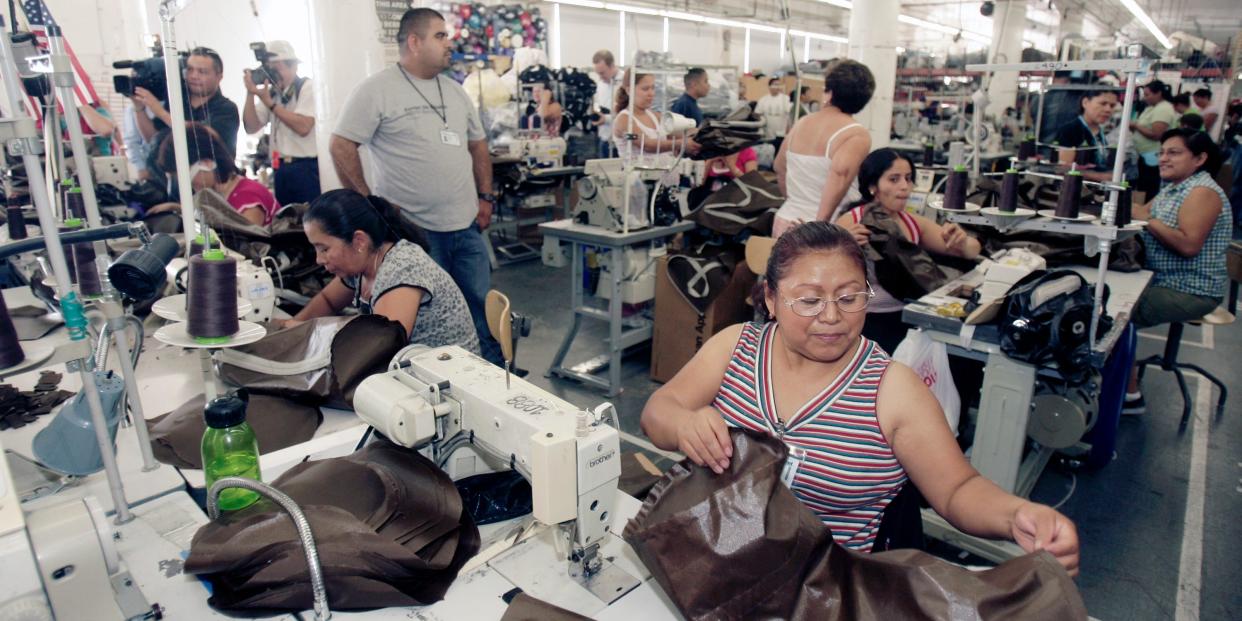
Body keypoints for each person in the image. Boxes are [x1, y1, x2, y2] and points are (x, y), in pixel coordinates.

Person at [639, 222, 1079, 571]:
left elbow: (957, 489)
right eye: (809, 301)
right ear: (771, 299)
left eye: (850, 298)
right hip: (716, 556)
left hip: (822, 587)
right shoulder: (736, 347)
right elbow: (659, 412)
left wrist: (1016, 515)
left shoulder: (892, 390)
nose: (832, 317)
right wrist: (684, 425)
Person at [331, 7, 502, 366]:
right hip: (415, 233)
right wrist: (367, 204)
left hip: (466, 226)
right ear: (413, 41)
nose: (448, 43)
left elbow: (478, 144)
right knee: (425, 322)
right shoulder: (377, 90)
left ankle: (492, 378)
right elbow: (341, 145)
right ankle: (443, 384)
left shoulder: (455, 92)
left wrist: (486, 196)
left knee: (477, 309)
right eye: (440, 36)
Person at [278, 189, 480, 354]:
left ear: (359, 241)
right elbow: (328, 301)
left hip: (450, 383)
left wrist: (308, 331)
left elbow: (378, 348)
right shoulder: (362, 263)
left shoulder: (403, 270)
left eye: (324, 249)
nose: (318, 259)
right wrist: (292, 326)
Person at [1124, 129, 1231, 414]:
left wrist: (1148, 219)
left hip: (1191, 289)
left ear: (1199, 158)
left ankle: (1129, 396)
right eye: (1161, 152)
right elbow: (1140, 215)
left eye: (1174, 152)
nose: (1163, 158)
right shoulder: (1174, 187)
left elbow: (1188, 245)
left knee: (1114, 313)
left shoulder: (1202, 192)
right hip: (1161, 280)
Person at [835, 149, 981, 354]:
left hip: (906, 317)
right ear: (872, 186)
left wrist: (962, 240)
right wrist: (841, 247)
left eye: (908, 178)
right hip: (865, 322)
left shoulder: (911, 223)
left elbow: (972, 251)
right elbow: (825, 269)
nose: (904, 186)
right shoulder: (852, 221)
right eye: (894, 179)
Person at [772, 59, 874, 238]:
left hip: (786, 219)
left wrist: (796, 201)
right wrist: (819, 226)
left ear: (830, 91)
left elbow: (779, 167)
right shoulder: (856, 134)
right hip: (822, 226)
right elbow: (839, 176)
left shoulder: (801, 123)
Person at [148, 123, 279, 226]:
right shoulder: (223, 194)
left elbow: (245, 244)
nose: (190, 186)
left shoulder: (248, 199)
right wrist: (178, 208)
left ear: (206, 163)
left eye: (188, 179)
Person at [242, 40, 320, 205]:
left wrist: (270, 104)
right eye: (269, 69)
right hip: (280, 168)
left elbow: (303, 126)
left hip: (305, 168)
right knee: (286, 223)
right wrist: (251, 94)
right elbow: (251, 127)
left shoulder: (307, 87)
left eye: (277, 69)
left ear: (293, 66)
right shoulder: (272, 94)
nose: (273, 74)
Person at [131, 47, 240, 159]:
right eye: (190, 70)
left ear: (219, 77)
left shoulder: (226, 108)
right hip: (170, 174)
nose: (194, 76)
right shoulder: (177, 102)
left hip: (212, 175)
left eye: (202, 72)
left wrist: (161, 113)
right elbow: (153, 138)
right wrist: (139, 108)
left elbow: (204, 136)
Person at [613, 69, 699, 165]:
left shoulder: (655, 116)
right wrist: (682, 143)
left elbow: (682, 134)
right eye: (645, 89)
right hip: (640, 179)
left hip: (666, 178)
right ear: (629, 90)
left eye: (653, 88)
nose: (651, 93)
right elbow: (647, 145)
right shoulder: (624, 120)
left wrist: (700, 134)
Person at [1053, 89, 1118, 182]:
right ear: (1085, 102)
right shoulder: (1070, 130)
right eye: (1103, 104)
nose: (1108, 109)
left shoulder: (1103, 133)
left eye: (1112, 106)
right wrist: (1098, 176)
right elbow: (1062, 169)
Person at [1129, 80, 1177, 199]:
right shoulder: (1151, 107)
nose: (1145, 98)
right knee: (1142, 186)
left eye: (1147, 94)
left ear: (1158, 93)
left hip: (1152, 157)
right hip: (1143, 155)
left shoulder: (1163, 109)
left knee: (1149, 188)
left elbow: (1157, 134)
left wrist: (1136, 125)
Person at [591, 49, 622, 158]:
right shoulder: (601, 84)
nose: (600, 76)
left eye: (602, 73)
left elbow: (629, 114)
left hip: (620, 142)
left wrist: (606, 119)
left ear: (612, 66)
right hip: (604, 139)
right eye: (598, 73)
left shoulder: (626, 84)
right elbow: (598, 104)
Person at [755, 77, 790, 152]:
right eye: (775, 84)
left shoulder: (785, 99)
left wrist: (788, 130)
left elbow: (790, 115)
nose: (777, 87)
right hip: (768, 135)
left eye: (779, 85)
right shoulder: (763, 99)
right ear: (769, 86)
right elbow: (757, 114)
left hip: (781, 134)